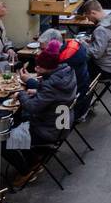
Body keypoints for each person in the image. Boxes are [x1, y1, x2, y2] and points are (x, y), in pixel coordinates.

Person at [5, 41, 78, 183]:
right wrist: (38, 91)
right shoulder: (66, 72)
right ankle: (33, 159)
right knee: (18, 123)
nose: (36, 69)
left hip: (48, 130)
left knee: (4, 139)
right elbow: (54, 95)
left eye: (39, 67)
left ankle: (26, 172)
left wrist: (21, 94)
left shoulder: (51, 84)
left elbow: (32, 107)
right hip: (62, 123)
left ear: (48, 68)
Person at [79, 0, 111, 79]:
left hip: (105, 70)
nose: (88, 20)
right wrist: (92, 40)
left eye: (88, 17)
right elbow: (109, 39)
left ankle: (83, 90)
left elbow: (96, 54)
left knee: (76, 63)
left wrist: (83, 44)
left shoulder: (101, 30)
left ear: (93, 13)